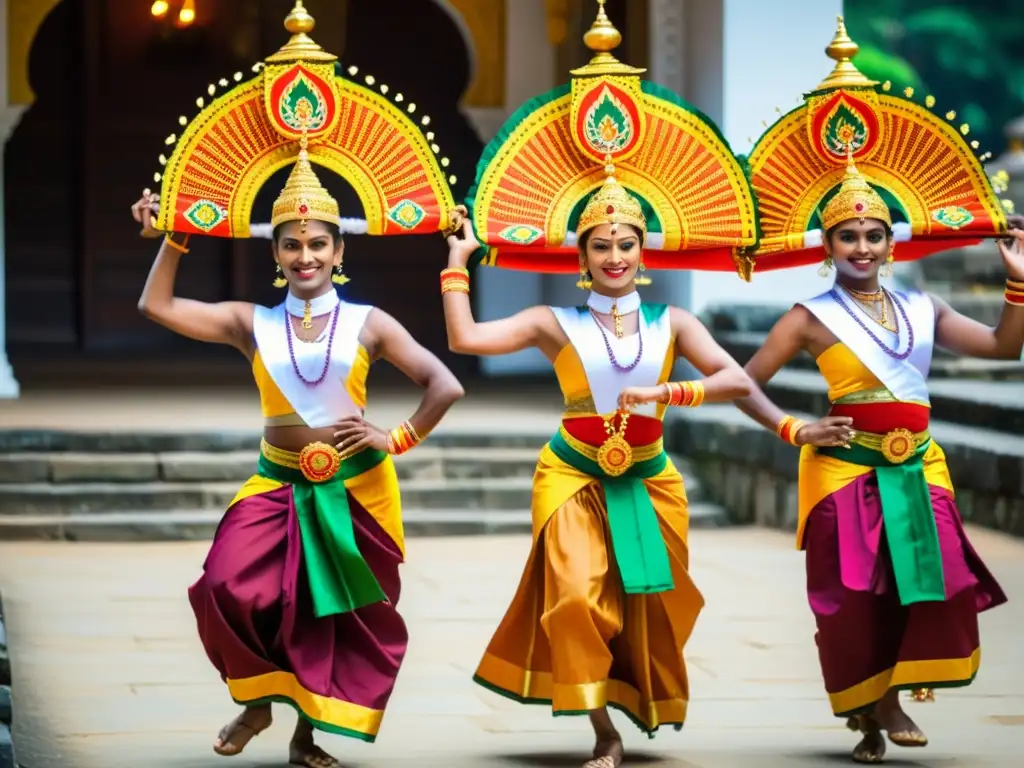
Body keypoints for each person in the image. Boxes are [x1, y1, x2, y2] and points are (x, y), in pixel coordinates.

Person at [131, 141, 465, 768]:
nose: (305, 255)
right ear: (276, 254)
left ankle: (303, 737)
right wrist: (172, 240)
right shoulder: (249, 322)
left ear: (339, 251)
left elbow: (445, 384)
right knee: (223, 586)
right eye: (292, 244)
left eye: (318, 244)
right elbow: (157, 306)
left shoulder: (370, 322)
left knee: (322, 616)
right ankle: (258, 703)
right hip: (276, 483)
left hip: (355, 487)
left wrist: (395, 437)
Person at [441, 170, 754, 768]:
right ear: (581, 255)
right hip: (572, 475)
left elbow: (735, 379)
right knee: (575, 599)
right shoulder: (552, 322)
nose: (615, 257)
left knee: (653, 604)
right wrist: (458, 260)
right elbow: (465, 338)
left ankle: (631, 694)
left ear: (643, 250)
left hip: (647, 478)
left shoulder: (674, 323)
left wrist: (667, 392)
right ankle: (602, 729)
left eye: (626, 244)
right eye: (601, 246)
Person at [733, 156, 1022, 763]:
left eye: (873, 235)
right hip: (844, 468)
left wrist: (1017, 281)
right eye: (848, 236)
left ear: (891, 242)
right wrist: (795, 429)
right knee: (856, 598)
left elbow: (1002, 346)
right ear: (829, 244)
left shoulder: (925, 308)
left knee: (938, 578)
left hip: (917, 464)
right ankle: (874, 712)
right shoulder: (808, 318)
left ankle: (887, 700)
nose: (861, 247)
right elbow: (741, 382)